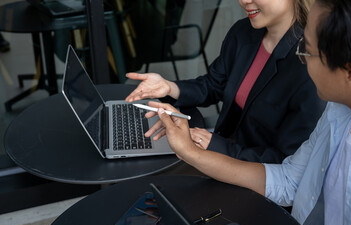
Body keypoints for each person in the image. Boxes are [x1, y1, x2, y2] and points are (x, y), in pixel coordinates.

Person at [144, 0, 351, 225]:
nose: (303, 59)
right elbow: (289, 180)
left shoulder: (314, 91)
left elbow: (283, 165)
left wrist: (207, 147)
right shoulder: (336, 113)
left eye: (307, 50)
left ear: (349, 73)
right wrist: (190, 151)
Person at [126, 0, 325, 164]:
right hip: (222, 149)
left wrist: (214, 146)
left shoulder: (309, 63)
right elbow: (214, 84)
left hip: (255, 176)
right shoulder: (244, 32)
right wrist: (169, 87)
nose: (244, 1)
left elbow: (287, 159)